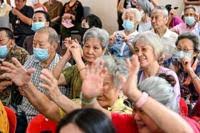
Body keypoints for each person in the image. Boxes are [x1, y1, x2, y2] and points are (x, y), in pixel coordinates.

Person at [80, 55, 200, 133]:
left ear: (163, 110)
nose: (136, 116)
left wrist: (135, 95)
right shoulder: (134, 124)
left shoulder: (186, 124)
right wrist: (88, 97)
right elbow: (96, 115)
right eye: (135, 110)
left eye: (143, 111)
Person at [1, 27, 70, 133]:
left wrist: (28, 87)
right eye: (34, 44)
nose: (36, 48)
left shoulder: (65, 68)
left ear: (54, 46)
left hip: (46, 120)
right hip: (24, 114)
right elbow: (22, 86)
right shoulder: (32, 59)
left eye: (41, 45)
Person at [54, 27, 109, 99]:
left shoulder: (106, 69)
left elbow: (89, 85)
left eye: (95, 48)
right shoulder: (76, 68)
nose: (90, 51)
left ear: (103, 50)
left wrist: (78, 58)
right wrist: (68, 54)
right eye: (87, 46)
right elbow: (53, 79)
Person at [132, 31, 180, 103]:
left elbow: (174, 105)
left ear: (155, 51)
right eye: (136, 50)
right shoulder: (136, 75)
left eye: (144, 49)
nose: (139, 54)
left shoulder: (168, 75)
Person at [165, 32, 200, 113]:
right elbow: (164, 86)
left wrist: (190, 71)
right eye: (179, 49)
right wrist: (173, 72)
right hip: (174, 105)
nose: (181, 53)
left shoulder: (198, 66)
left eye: (185, 50)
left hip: (195, 108)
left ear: (195, 53)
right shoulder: (171, 62)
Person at [0, 27, 29, 108]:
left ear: (12, 42)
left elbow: (28, 78)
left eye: (1, 41)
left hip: (15, 101)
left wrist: (8, 83)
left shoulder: (22, 55)